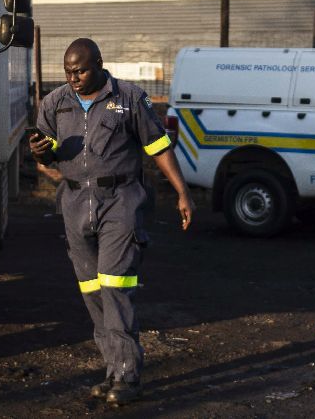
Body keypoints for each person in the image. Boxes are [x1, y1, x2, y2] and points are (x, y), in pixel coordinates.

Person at [30, 38, 194, 405]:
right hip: (74, 203)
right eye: (68, 71)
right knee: (92, 291)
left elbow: (158, 147)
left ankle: (128, 377)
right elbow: (46, 151)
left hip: (120, 201)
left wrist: (183, 192)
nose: (74, 77)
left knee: (115, 285)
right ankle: (114, 369)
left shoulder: (130, 98)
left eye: (81, 70)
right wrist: (41, 151)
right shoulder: (55, 103)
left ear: (100, 64)